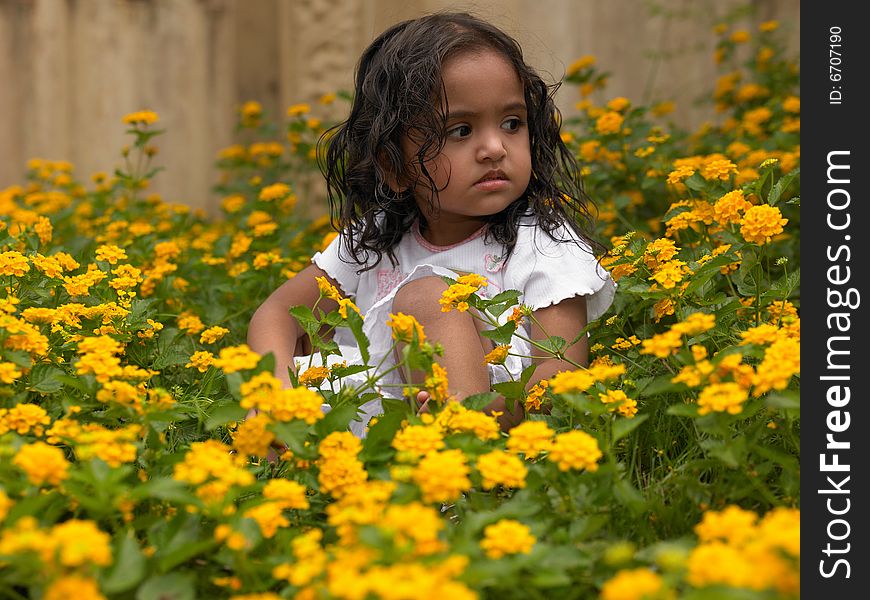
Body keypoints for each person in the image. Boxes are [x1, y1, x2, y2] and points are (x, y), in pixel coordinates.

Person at [247, 11, 615, 437]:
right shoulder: (376, 240)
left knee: (428, 298)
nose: (494, 148)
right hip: (369, 444)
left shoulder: (545, 243)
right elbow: (276, 313)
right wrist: (270, 396)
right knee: (313, 348)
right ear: (395, 165)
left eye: (512, 123)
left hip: (494, 440)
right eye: (461, 131)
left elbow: (558, 378)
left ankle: (457, 457)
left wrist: (486, 413)